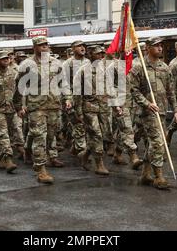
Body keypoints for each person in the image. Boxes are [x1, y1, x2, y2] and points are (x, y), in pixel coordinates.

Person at [13, 36, 71, 184]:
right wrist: (18, 106)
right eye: (41, 45)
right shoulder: (27, 64)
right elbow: (19, 87)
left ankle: (27, 147)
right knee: (40, 136)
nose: (45, 47)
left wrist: (68, 98)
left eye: (46, 45)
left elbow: (63, 82)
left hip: (53, 105)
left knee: (50, 137)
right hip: (36, 106)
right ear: (35, 47)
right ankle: (40, 169)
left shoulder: (56, 63)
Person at [130, 37, 177, 190]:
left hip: (162, 110)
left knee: (154, 143)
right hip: (147, 112)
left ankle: (145, 173)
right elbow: (133, 89)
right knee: (158, 142)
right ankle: (159, 176)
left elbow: (170, 91)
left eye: (160, 46)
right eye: (156, 46)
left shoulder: (164, 67)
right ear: (147, 47)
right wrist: (146, 103)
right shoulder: (139, 67)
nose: (160, 48)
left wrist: (176, 109)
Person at [74, 46, 111, 176]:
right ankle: (99, 164)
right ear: (91, 55)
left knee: (105, 134)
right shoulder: (83, 71)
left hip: (104, 108)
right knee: (97, 135)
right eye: (98, 54)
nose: (101, 56)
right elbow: (77, 93)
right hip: (90, 108)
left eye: (102, 54)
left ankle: (85, 154)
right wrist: (78, 112)